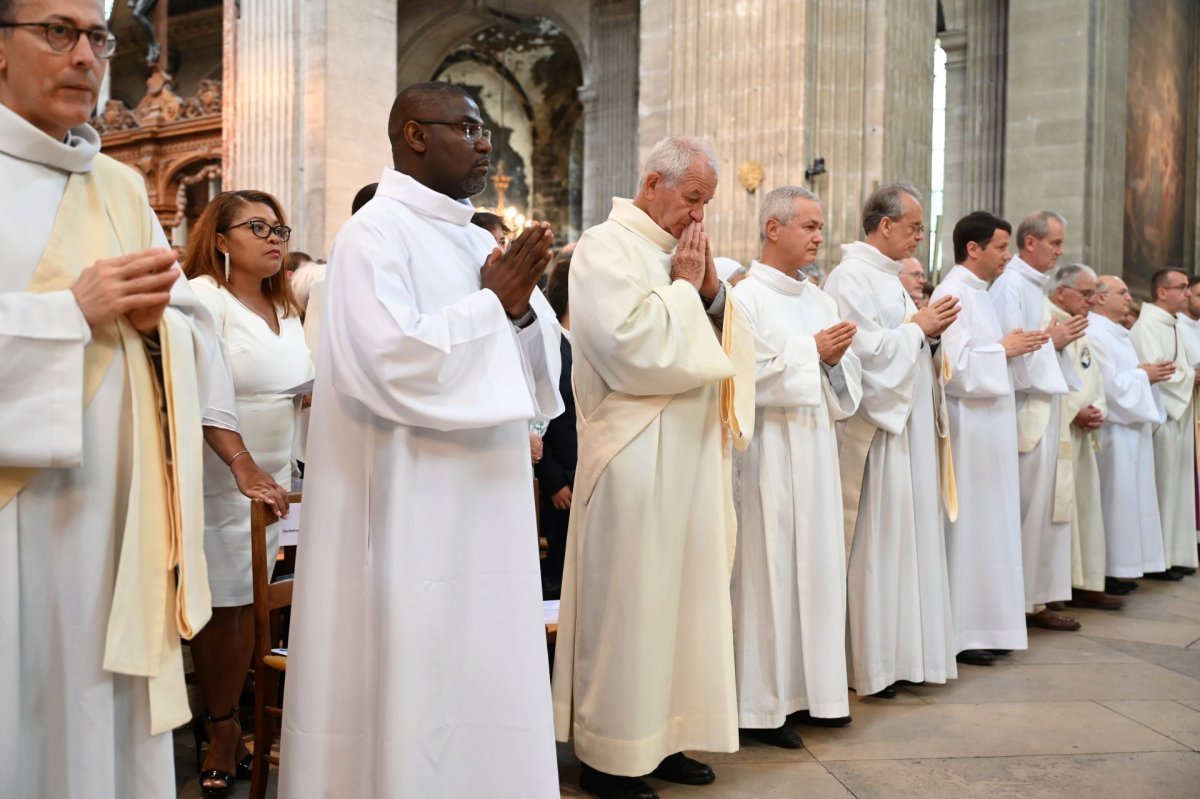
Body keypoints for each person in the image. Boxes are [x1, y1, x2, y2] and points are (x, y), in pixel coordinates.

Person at [280, 81, 563, 798]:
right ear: (413, 134)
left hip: (489, 500)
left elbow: (540, 378)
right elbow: (388, 365)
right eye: (468, 128)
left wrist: (524, 313)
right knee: (415, 673)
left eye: (486, 131)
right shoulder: (372, 236)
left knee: (486, 661)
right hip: (408, 496)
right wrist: (493, 303)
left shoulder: (477, 240)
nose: (486, 143)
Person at [0, 1, 216, 795]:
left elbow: (193, 324)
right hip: (14, 514)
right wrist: (68, 313)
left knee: (93, 707)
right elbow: (85, 310)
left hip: (114, 512)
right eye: (57, 32)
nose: (85, 55)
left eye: (97, 36)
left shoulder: (123, 187)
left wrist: (162, 330)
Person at [552, 135, 754, 799]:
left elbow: (727, 332)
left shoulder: (685, 254)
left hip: (692, 451)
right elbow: (627, 349)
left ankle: (665, 735)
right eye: (691, 199)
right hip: (633, 450)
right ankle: (612, 753)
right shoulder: (605, 247)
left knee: (684, 600)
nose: (698, 217)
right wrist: (682, 291)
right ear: (652, 184)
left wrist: (712, 292)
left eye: (706, 204)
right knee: (631, 602)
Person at [183, 190, 313, 798]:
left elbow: (296, 383)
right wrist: (241, 464)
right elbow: (202, 391)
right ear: (220, 239)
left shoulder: (286, 308)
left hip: (276, 476)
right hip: (222, 473)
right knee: (227, 608)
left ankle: (241, 713)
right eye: (257, 227)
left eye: (280, 228)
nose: (273, 238)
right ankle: (221, 729)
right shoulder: (205, 300)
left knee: (257, 603)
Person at [730, 186, 861, 747]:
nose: (818, 236)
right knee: (770, 572)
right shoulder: (745, 298)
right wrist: (813, 353)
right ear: (772, 229)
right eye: (808, 226)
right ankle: (763, 706)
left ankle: (817, 694)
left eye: (820, 225)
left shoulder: (822, 300)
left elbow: (846, 387)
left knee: (816, 569)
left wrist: (829, 362)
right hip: (766, 457)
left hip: (814, 451)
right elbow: (742, 379)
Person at [823, 184, 962, 684]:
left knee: (909, 544)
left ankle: (906, 659)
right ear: (885, 226)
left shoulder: (888, 279)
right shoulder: (850, 278)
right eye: (915, 227)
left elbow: (906, 341)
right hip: (879, 438)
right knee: (879, 546)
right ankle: (874, 665)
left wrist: (932, 334)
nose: (920, 238)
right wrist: (917, 329)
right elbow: (859, 353)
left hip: (910, 432)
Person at [933, 211, 1048, 665]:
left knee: (993, 524)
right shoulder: (952, 294)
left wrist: (1012, 348)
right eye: (1001, 248)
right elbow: (954, 370)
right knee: (970, 528)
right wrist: (1003, 350)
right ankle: (966, 630)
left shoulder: (979, 294)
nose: (1008, 256)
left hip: (991, 427)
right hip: (967, 430)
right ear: (973, 249)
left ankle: (991, 623)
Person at [989, 211, 1086, 632]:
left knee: (1044, 510)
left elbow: (1034, 345)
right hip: (1023, 411)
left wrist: (1055, 344)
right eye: (1055, 243)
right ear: (1030, 242)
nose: (1061, 252)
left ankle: (1036, 600)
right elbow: (1012, 349)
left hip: (1043, 410)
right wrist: (1054, 342)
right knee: (1025, 511)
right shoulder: (1010, 285)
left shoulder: (1034, 287)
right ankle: (1018, 605)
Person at [1046, 265, 1121, 610]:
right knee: (1060, 513)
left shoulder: (1082, 328)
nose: (1092, 300)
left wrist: (1097, 409)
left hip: (1082, 436)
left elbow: (1094, 379)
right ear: (1061, 292)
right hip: (1058, 431)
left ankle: (1086, 580)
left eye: (1094, 294)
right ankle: (1055, 588)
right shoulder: (1049, 321)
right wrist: (1074, 411)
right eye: (1086, 293)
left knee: (1086, 511)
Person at [1088, 276, 1170, 587]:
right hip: (1113, 430)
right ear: (1100, 298)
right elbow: (1109, 387)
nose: (1128, 298)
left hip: (1130, 427)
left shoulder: (1117, 333)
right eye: (1121, 293)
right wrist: (1143, 375)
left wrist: (1145, 375)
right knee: (1115, 501)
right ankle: (1111, 569)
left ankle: (1127, 566)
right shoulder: (1096, 333)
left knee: (1132, 500)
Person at [1130, 268, 1199, 575]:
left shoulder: (1169, 324)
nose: (1187, 293)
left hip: (1178, 415)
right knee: (1163, 489)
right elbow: (1159, 374)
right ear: (1162, 292)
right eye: (1182, 287)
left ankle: (1175, 554)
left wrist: (1186, 377)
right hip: (1162, 417)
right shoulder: (1147, 326)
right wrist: (1191, 377)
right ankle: (1158, 560)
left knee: (1177, 488)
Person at [535, 249, 576, 600]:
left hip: (589, 473)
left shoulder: (595, 345)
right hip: (560, 482)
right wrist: (553, 480)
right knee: (560, 571)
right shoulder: (551, 340)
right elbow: (540, 414)